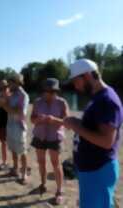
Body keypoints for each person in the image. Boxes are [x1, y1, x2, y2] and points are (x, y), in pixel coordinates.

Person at [63, 59, 123, 208]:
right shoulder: (97, 97)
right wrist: (76, 123)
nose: (76, 86)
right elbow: (93, 127)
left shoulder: (107, 100)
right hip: (91, 169)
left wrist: (76, 126)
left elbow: (106, 141)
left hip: (99, 170)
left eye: (76, 81)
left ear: (88, 76)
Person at [30, 78, 69, 205]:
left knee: (56, 164)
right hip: (40, 135)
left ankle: (59, 191)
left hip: (55, 136)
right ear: (44, 91)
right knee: (41, 162)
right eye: (48, 91)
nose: (51, 94)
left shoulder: (62, 102)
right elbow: (32, 119)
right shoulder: (37, 102)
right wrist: (38, 120)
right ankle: (43, 184)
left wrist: (53, 120)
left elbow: (67, 123)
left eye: (53, 91)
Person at [0, 73, 29, 184]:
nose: (8, 85)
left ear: (16, 82)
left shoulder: (23, 96)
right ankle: (15, 169)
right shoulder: (12, 94)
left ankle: (24, 174)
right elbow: (4, 103)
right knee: (13, 149)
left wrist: (4, 105)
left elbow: (19, 112)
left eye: (10, 82)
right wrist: (2, 102)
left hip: (19, 127)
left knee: (22, 151)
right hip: (10, 125)